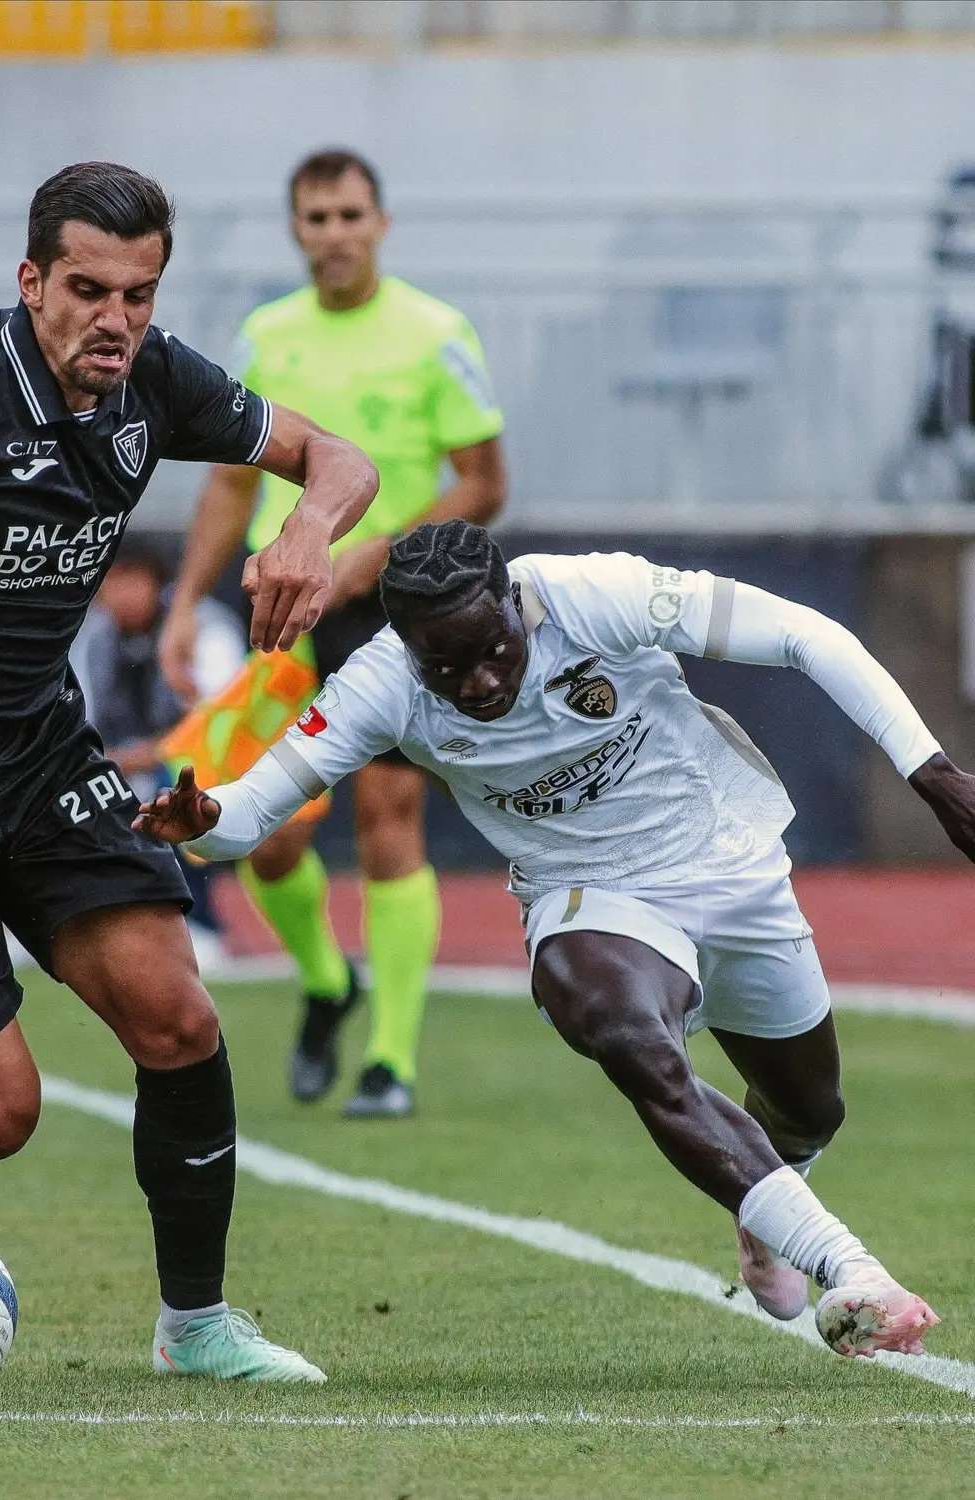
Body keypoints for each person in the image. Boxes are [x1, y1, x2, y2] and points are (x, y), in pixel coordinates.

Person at [0, 161, 378, 1384]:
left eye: (141, 295)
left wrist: (308, 528)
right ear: (31, 282)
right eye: (89, 291)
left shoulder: (155, 383)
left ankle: (197, 1329)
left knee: (179, 1015)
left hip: (40, 755)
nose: (117, 321)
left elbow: (342, 461)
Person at [133, 519, 975, 1359]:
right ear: (410, 649)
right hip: (585, 891)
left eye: (493, 649)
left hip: (724, 851)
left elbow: (802, 633)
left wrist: (932, 774)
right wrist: (204, 818)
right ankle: (852, 1267)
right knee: (623, 1033)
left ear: (513, 602)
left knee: (808, 1107)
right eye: (447, 667)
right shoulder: (381, 684)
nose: (479, 682)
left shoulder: (593, 595)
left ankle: (764, 1206)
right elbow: (251, 808)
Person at [159, 149, 506, 1117]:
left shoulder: (437, 331)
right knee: (257, 832)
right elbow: (230, 478)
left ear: (381, 224)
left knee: (388, 817)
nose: (335, 232)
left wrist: (380, 550)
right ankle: (323, 978)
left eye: (351, 213)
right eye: (316, 216)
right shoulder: (267, 336)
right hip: (287, 604)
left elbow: (484, 480)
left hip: (395, 605)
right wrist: (188, 600)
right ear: (296, 230)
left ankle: (391, 1059)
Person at [71, 537, 247, 971]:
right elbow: (81, 715)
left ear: (158, 584)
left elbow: (217, 719)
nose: (123, 594)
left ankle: (201, 921)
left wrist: (143, 756)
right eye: (113, 581)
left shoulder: (205, 626)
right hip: (122, 760)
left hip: (212, 761)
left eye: (135, 580)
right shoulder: (90, 634)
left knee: (176, 783)